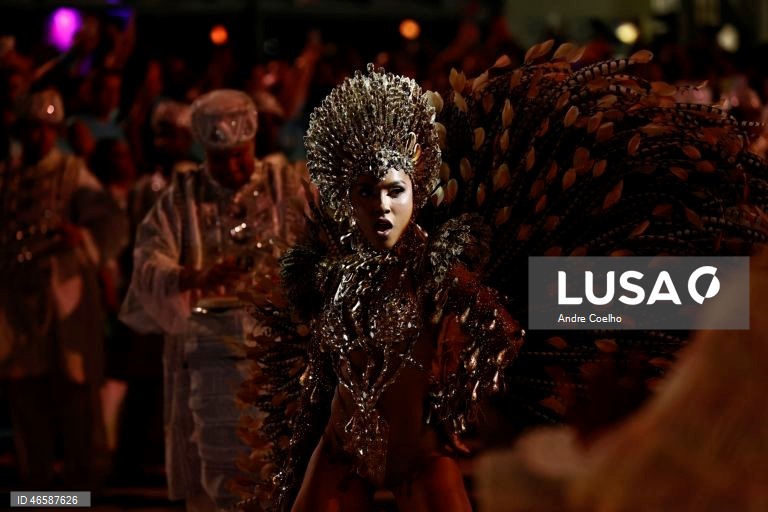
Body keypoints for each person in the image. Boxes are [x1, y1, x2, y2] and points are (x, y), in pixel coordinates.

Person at [248, 65, 525, 512]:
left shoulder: (437, 270)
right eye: (365, 191)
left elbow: (504, 334)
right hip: (342, 451)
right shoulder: (332, 274)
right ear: (346, 197)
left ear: (417, 190)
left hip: (419, 454)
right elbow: (321, 373)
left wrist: (455, 376)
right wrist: (295, 456)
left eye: (395, 190)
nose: (381, 206)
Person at [119, 89, 304, 511]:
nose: (234, 166)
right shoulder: (182, 197)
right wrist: (194, 275)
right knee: (216, 469)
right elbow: (148, 260)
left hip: (278, 356)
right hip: (207, 358)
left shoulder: (287, 185)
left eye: (241, 154)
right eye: (221, 158)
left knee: (280, 465)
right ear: (204, 150)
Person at [0, 88, 128, 490]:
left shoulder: (74, 172)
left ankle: (78, 489)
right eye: (32, 128)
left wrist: (83, 238)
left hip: (64, 289)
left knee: (73, 392)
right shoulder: (8, 173)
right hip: (16, 298)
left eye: (46, 128)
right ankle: (34, 487)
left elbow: (112, 223)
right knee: (25, 391)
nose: (39, 136)